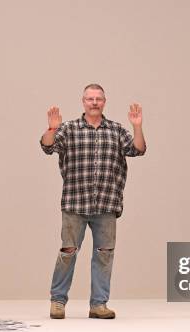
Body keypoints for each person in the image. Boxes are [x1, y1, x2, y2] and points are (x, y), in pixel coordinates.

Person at [40, 84, 146, 319]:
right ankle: (58, 301)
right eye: (90, 98)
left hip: (107, 204)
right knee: (68, 252)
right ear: (83, 101)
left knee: (104, 254)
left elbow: (138, 150)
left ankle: (98, 305)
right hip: (75, 203)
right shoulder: (68, 129)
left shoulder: (116, 130)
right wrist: (51, 128)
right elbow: (47, 146)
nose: (94, 102)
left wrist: (137, 127)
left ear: (104, 102)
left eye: (98, 98)